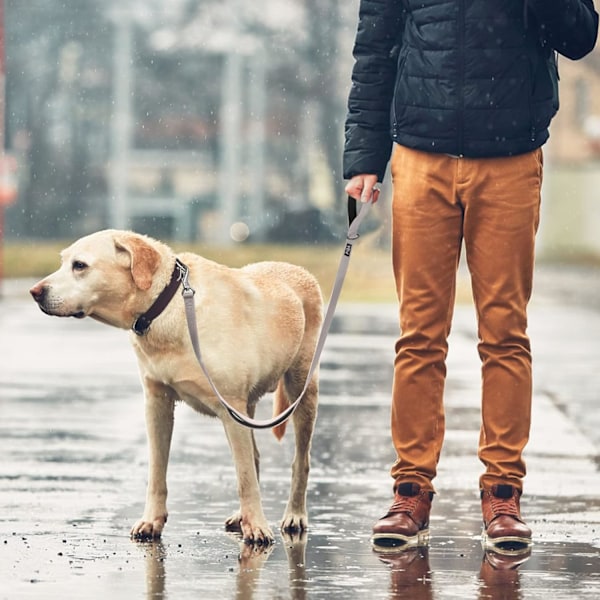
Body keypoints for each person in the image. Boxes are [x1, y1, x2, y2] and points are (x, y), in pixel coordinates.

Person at [343, 0, 598, 552]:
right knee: (419, 334)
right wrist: (365, 155)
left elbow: (580, 36)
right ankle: (410, 490)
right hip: (419, 157)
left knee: (505, 332)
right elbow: (376, 50)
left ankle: (503, 494)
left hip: (510, 156)